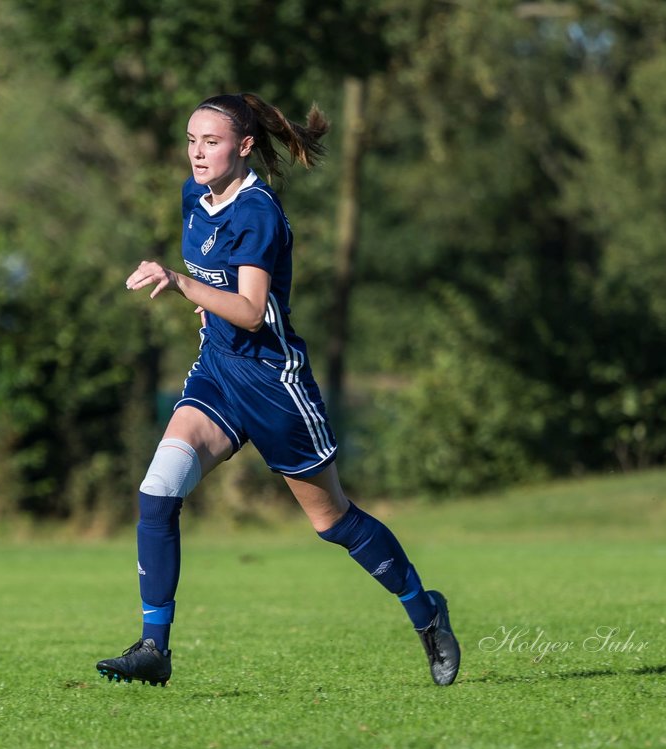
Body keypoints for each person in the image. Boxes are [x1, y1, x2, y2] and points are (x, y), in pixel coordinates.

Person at [95, 93, 460, 687]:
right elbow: (221, 295)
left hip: (274, 386)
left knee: (333, 522)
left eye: (211, 142)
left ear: (243, 147)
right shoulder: (196, 197)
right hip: (217, 375)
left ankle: (426, 611)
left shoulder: (258, 211)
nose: (197, 153)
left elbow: (251, 311)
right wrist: (199, 300)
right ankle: (154, 648)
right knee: (157, 493)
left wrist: (182, 284)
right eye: (191, 141)